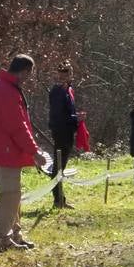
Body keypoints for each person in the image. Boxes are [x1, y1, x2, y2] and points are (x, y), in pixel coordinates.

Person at [0, 54, 50, 251]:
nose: (28, 78)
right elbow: (17, 126)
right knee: (10, 194)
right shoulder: (5, 90)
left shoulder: (1, 87)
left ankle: (14, 233)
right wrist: (34, 151)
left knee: (14, 194)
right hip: (5, 150)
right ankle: (2, 238)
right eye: (29, 74)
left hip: (5, 149)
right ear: (25, 70)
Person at [48, 64, 81, 209]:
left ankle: (60, 198)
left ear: (71, 75)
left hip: (68, 131)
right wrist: (75, 118)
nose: (63, 77)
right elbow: (58, 116)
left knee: (62, 165)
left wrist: (76, 116)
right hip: (61, 131)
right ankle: (58, 199)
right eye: (61, 74)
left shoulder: (69, 90)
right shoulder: (57, 91)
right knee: (58, 166)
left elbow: (67, 112)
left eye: (66, 74)